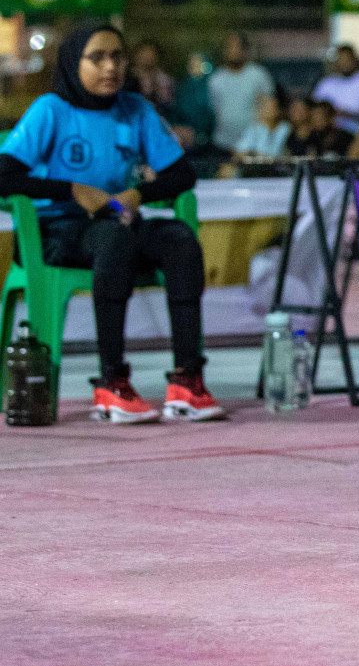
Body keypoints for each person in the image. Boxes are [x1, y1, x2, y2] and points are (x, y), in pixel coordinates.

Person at [0, 24, 223, 424]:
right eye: (97, 57)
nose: (110, 67)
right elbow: (4, 175)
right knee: (114, 240)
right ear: (73, 63)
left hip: (116, 223)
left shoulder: (136, 109)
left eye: (117, 57)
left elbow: (181, 174)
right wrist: (71, 190)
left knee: (179, 240)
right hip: (57, 232)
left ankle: (188, 380)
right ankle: (111, 383)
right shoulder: (50, 110)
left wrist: (139, 193)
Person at [206, 32, 275, 154]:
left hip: (253, 146)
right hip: (223, 144)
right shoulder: (215, 80)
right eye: (230, 47)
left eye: (237, 47)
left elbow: (268, 108)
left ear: (245, 50)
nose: (234, 51)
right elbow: (214, 109)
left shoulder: (258, 75)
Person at [311, 44, 359, 135]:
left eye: (347, 59)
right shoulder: (326, 83)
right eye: (341, 59)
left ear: (354, 59)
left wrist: (349, 114)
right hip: (332, 134)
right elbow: (315, 108)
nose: (344, 63)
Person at [234, 93, 291, 160]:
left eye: (273, 107)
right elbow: (240, 152)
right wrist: (258, 155)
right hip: (257, 166)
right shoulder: (253, 129)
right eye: (267, 107)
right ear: (261, 110)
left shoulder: (285, 128)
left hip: (281, 166)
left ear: (278, 110)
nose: (271, 110)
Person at [129, 41, 175, 112]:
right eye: (144, 53)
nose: (147, 57)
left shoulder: (164, 79)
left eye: (151, 54)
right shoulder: (127, 76)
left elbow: (168, 103)